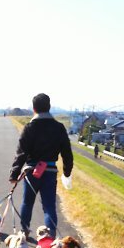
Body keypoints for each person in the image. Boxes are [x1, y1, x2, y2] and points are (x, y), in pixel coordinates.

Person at [9, 93, 73, 239]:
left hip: (31, 172)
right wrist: (67, 172)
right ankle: (51, 238)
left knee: (27, 202)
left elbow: (21, 153)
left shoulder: (29, 127)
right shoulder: (59, 127)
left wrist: (14, 174)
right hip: (50, 172)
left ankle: (24, 232)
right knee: (49, 206)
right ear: (49, 107)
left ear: (34, 109)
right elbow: (67, 153)